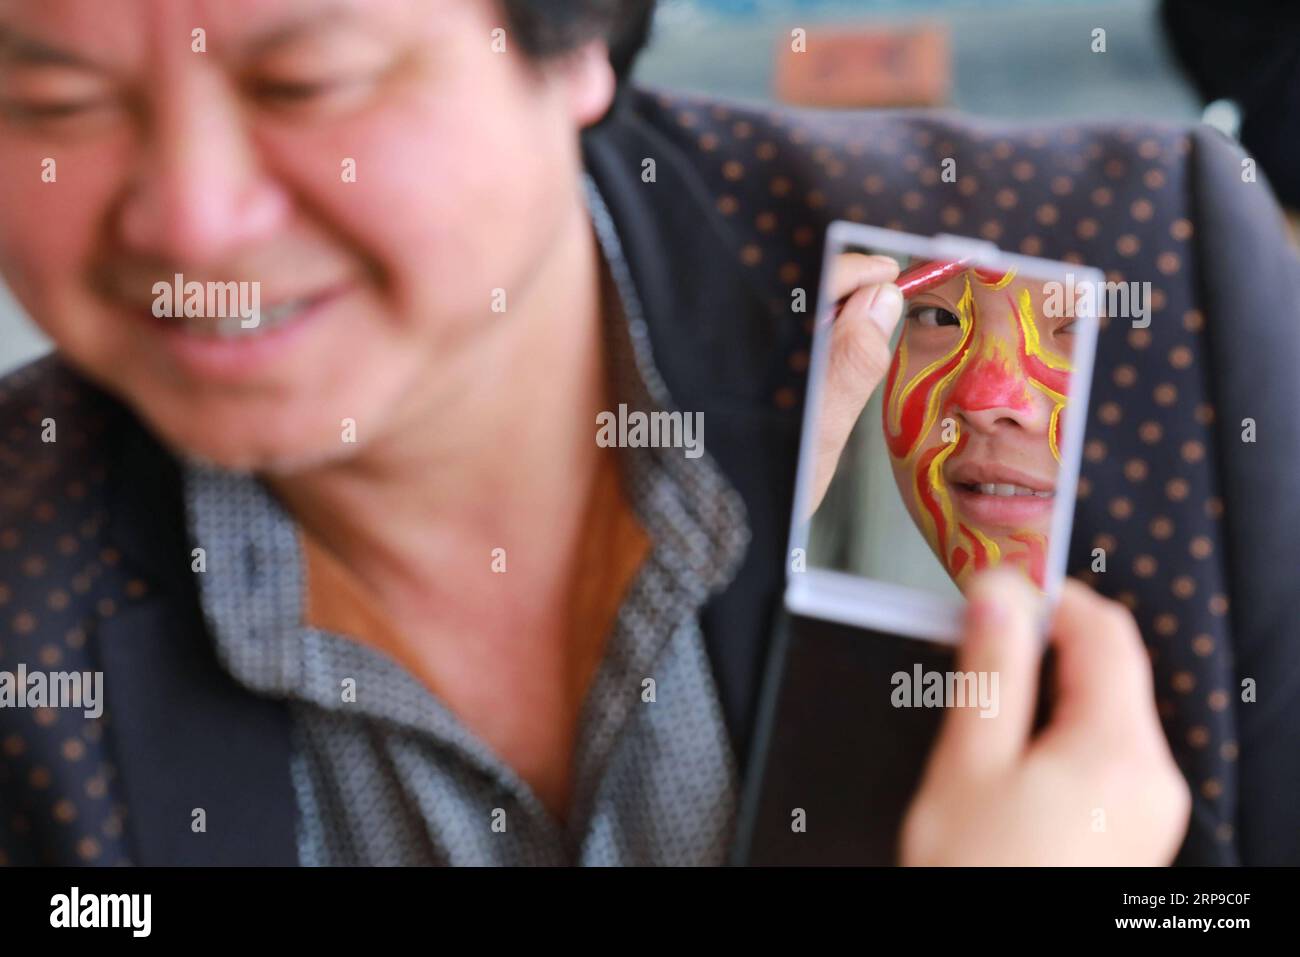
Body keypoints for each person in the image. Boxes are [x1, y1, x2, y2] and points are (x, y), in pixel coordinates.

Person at [0, 0, 1225, 867]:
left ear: (575, 33)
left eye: (306, 82)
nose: (190, 223)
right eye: (53, 101)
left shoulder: (1162, 297)